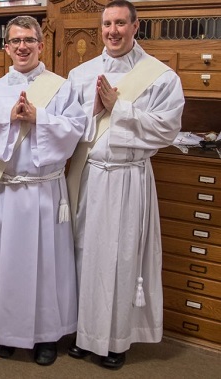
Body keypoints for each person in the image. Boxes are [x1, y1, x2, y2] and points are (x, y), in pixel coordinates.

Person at [66, 0, 184, 369]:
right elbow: (68, 127)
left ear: (136, 26)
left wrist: (120, 107)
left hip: (128, 178)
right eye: (106, 24)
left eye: (120, 23)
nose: (112, 31)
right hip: (89, 174)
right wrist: (95, 114)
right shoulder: (80, 74)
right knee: (84, 253)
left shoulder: (162, 76)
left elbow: (167, 129)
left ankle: (115, 341)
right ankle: (85, 335)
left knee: (120, 259)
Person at [0, 15, 86, 365]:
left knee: (47, 266)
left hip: (46, 191)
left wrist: (40, 118)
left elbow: (76, 129)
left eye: (29, 40)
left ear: (40, 44)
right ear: (6, 47)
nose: (22, 47)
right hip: (8, 190)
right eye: (15, 41)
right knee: (6, 266)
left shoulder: (61, 87)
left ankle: (46, 336)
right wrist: (9, 117)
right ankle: (6, 331)